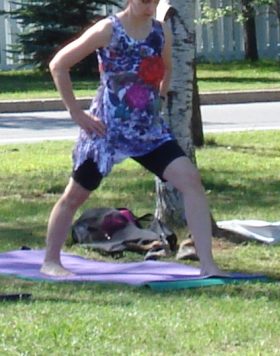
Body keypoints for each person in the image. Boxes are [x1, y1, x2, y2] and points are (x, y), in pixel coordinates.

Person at [42, 0, 223, 277]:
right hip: (106, 133)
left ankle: (208, 266)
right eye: (144, 1)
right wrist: (77, 113)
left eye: (154, 1)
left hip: (148, 132)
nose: (149, 6)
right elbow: (59, 65)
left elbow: (167, 69)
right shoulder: (108, 29)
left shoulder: (161, 32)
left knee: (190, 180)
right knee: (75, 196)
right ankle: (51, 261)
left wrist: (159, 99)